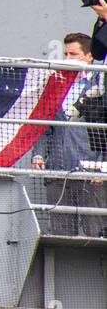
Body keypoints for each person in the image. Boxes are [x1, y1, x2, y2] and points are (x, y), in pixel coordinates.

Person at [32, 32, 107, 237]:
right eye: (65, 54)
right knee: (60, 232)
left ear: (89, 56)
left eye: (73, 54)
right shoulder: (55, 87)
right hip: (58, 169)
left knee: (96, 232)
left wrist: (103, 167)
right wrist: (38, 154)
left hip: (92, 172)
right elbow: (44, 128)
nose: (67, 59)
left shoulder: (101, 88)